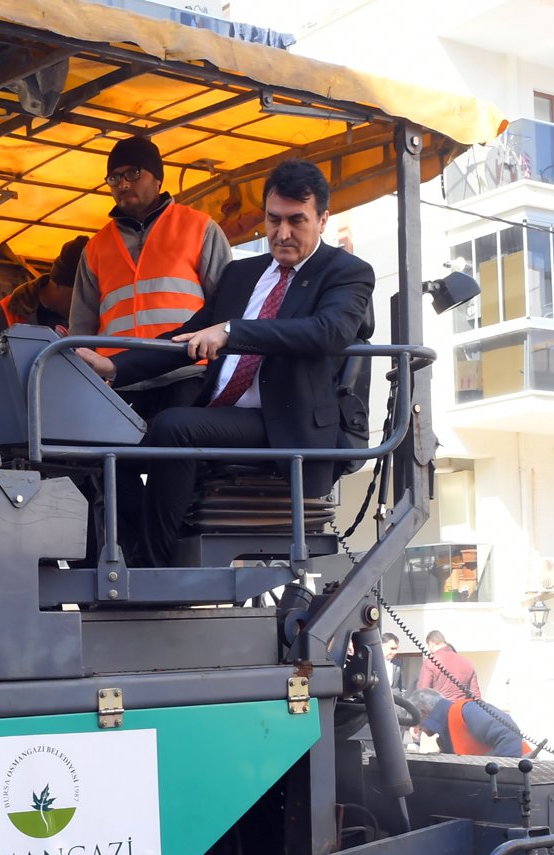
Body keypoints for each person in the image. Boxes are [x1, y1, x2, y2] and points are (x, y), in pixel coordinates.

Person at [77, 158, 373, 567]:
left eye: (296, 221)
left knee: (174, 426)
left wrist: (234, 331)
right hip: (223, 414)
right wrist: (116, 368)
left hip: (285, 422)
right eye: (273, 220)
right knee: (102, 447)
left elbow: (327, 331)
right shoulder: (241, 273)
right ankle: (127, 554)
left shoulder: (346, 272)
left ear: (323, 220)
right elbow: (188, 335)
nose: (282, 234)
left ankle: (155, 566)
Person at [70, 134, 233, 415]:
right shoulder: (95, 247)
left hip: (185, 375)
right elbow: (81, 326)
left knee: (176, 456)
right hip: (118, 382)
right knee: (122, 459)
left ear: (157, 178)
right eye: (114, 177)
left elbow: (228, 308)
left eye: (133, 173)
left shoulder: (200, 228)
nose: (122, 184)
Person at [0, 236, 88, 345]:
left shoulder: (89, 317)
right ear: (61, 283)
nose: (86, 302)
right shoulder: (7, 313)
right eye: (82, 294)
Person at [411, 688, 531, 758]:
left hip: (527, 779)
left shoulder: (466, 711)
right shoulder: (447, 730)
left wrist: (504, 778)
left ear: (423, 712)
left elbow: (508, 734)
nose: (418, 727)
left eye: (416, 721)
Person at [416, 630, 482, 700]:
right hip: (461, 709)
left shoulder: (430, 662)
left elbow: (422, 694)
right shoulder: (467, 663)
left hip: (440, 709)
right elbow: (476, 695)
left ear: (431, 644)